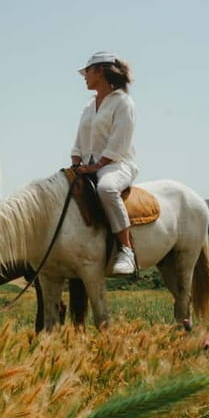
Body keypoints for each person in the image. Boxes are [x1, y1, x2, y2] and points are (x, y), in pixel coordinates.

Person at [70, 51, 139, 275]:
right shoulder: (89, 105)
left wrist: (98, 166)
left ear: (100, 70)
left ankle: (126, 250)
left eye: (87, 71)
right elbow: (80, 138)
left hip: (117, 164)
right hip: (89, 165)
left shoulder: (123, 102)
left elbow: (119, 142)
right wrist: (76, 161)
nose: (84, 76)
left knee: (107, 189)